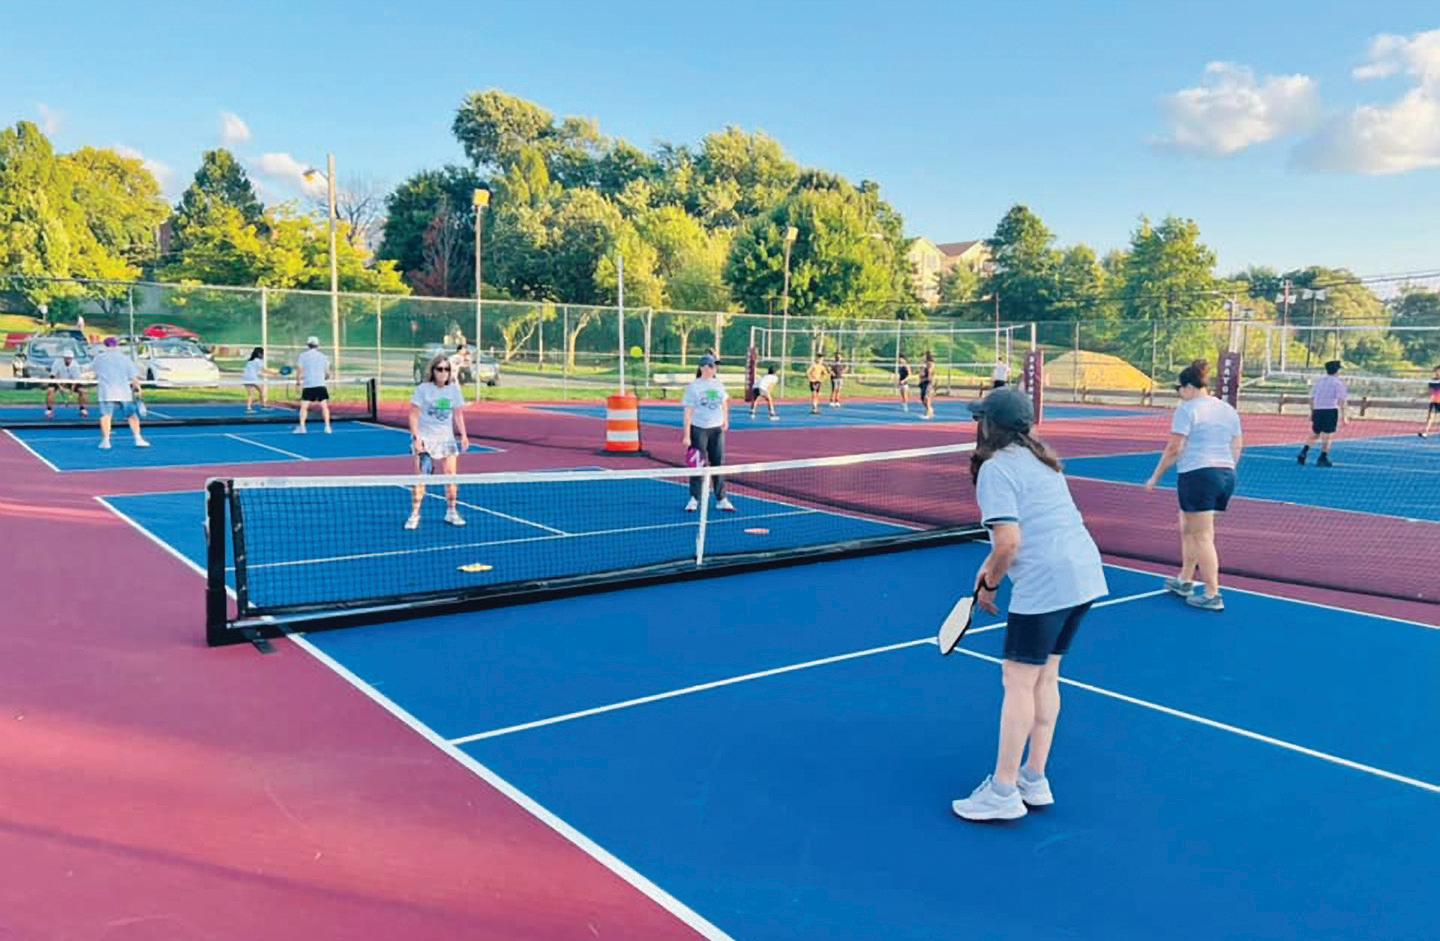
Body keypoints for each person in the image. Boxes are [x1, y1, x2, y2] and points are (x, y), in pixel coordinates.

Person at [950, 386, 1108, 822]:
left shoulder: (995, 469)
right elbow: (1027, 532)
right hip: (1083, 574)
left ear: (989, 426)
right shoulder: (1043, 461)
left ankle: (1003, 790)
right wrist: (989, 570)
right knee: (1047, 676)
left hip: (1046, 582)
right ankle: (1034, 778)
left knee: (1017, 681)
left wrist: (992, 583)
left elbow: (1010, 542)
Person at [1144, 359, 1243, 612]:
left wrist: (1155, 477)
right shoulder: (1227, 409)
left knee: (1202, 536)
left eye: (1179, 388)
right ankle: (1185, 580)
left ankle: (1212, 594)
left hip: (1199, 475)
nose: (1179, 393)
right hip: (1225, 475)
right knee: (1188, 527)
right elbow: (1237, 444)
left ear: (1188, 387)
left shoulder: (1187, 409)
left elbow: (1174, 447)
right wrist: (1227, 469)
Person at [405, 353, 470, 530]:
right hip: (426, 439)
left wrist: (464, 435)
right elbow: (413, 415)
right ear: (433, 370)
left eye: (446, 369)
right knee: (421, 479)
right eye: (439, 369)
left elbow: (458, 414)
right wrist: (416, 438)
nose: (443, 373)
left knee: (451, 477)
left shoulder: (454, 390)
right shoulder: (423, 389)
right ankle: (415, 514)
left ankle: (451, 511)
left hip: (447, 440)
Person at [682, 353, 735, 513]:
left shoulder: (718, 384)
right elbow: (688, 412)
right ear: (703, 367)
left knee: (718, 463)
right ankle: (694, 498)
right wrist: (687, 435)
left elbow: (724, 403)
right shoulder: (694, 387)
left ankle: (721, 498)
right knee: (697, 464)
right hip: (699, 429)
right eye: (711, 366)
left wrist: (725, 420)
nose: (714, 369)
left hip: (716, 429)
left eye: (715, 366)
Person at [91, 336, 148, 449]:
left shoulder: (99, 358)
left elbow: (94, 372)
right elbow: (134, 378)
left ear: (105, 346)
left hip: (106, 392)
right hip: (123, 392)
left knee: (105, 416)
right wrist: (138, 389)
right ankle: (138, 438)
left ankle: (106, 441)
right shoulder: (125, 358)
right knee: (132, 415)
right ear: (116, 345)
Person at [1298, 360, 1347, 467]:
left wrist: (1312, 412)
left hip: (1318, 410)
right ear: (1337, 371)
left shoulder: (1320, 382)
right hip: (1330, 410)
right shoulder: (1338, 383)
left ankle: (1304, 451)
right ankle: (1323, 457)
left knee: (1315, 433)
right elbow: (1342, 400)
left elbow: (1312, 398)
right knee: (1328, 435)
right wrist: (1344, 416)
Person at [294, 336, 332, 434]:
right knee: (324, 406)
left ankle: (302, 427)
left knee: (304, 407)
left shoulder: (303, 356)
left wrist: (298, 382)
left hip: (308, 384)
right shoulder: (324, 356)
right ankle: (327, 427)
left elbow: (299, 370)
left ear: (308, 345)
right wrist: (324, 378)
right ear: (318, 345)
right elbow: (327, 373)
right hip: (320, 384)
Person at [46, 346, 88, 418]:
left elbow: (76, 380)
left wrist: (71, 392)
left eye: (70, 358)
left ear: (72, 358)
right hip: (57, 380)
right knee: (50, 390)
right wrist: (60, 387)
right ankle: (49, 410)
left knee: (83, 391)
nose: (68, 360)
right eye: (67, 358)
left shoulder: (75, 365)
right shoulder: (57, 362)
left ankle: (82, 409)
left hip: (71, 381)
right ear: (64, 358)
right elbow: (53, 376)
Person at [242, 347, 267, 413]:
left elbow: (256, 370)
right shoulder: (258, 361)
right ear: (259, 354)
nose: (263, 355)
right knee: (261, 391)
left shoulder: (250, 360)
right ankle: (263, 406)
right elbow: (264, 370)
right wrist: (275, 373)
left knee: (251, 394)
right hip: (252, 378)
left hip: (245, 378)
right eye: (262, 353)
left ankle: (249, 408)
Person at [1421, 365, 1440, 438]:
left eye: (1438, 371)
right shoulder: (1432, 381)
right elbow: (1429, 391)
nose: (1437, 372)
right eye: (1436, 371)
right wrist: (1417, 397)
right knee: (1430, 417)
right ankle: (1425, 432)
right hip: (1434, 402)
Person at [918, 351, 936, 419]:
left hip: (929, 383)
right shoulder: (923, 364)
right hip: (923, 383)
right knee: (922, 398)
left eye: (923, 356)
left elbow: (930, 375)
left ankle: (928, 414)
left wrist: (926, 377)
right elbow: (921, 374)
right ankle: (930, 409)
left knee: (926, 397)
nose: (922, 358)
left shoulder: (930, 364)